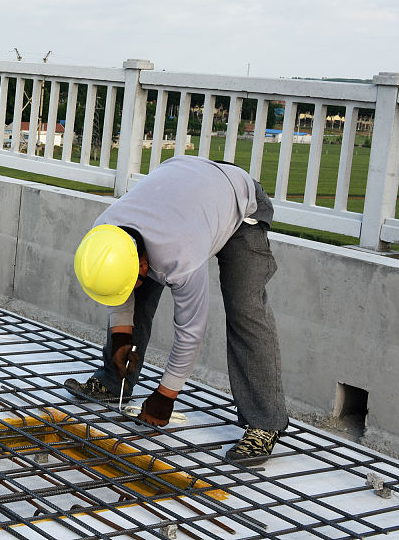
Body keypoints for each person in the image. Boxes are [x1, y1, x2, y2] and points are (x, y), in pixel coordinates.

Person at [68, 155, 288, 464]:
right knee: (137, 289)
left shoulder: (178, 256)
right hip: (186, 195)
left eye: (140, 271)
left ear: (145, 260)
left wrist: (165, 396)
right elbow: (118, 286)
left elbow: (191, 332)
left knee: (245, 310)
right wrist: (120, 338)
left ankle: (264, 424)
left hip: (239, 202)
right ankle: (115, 380)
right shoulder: (105, 235)